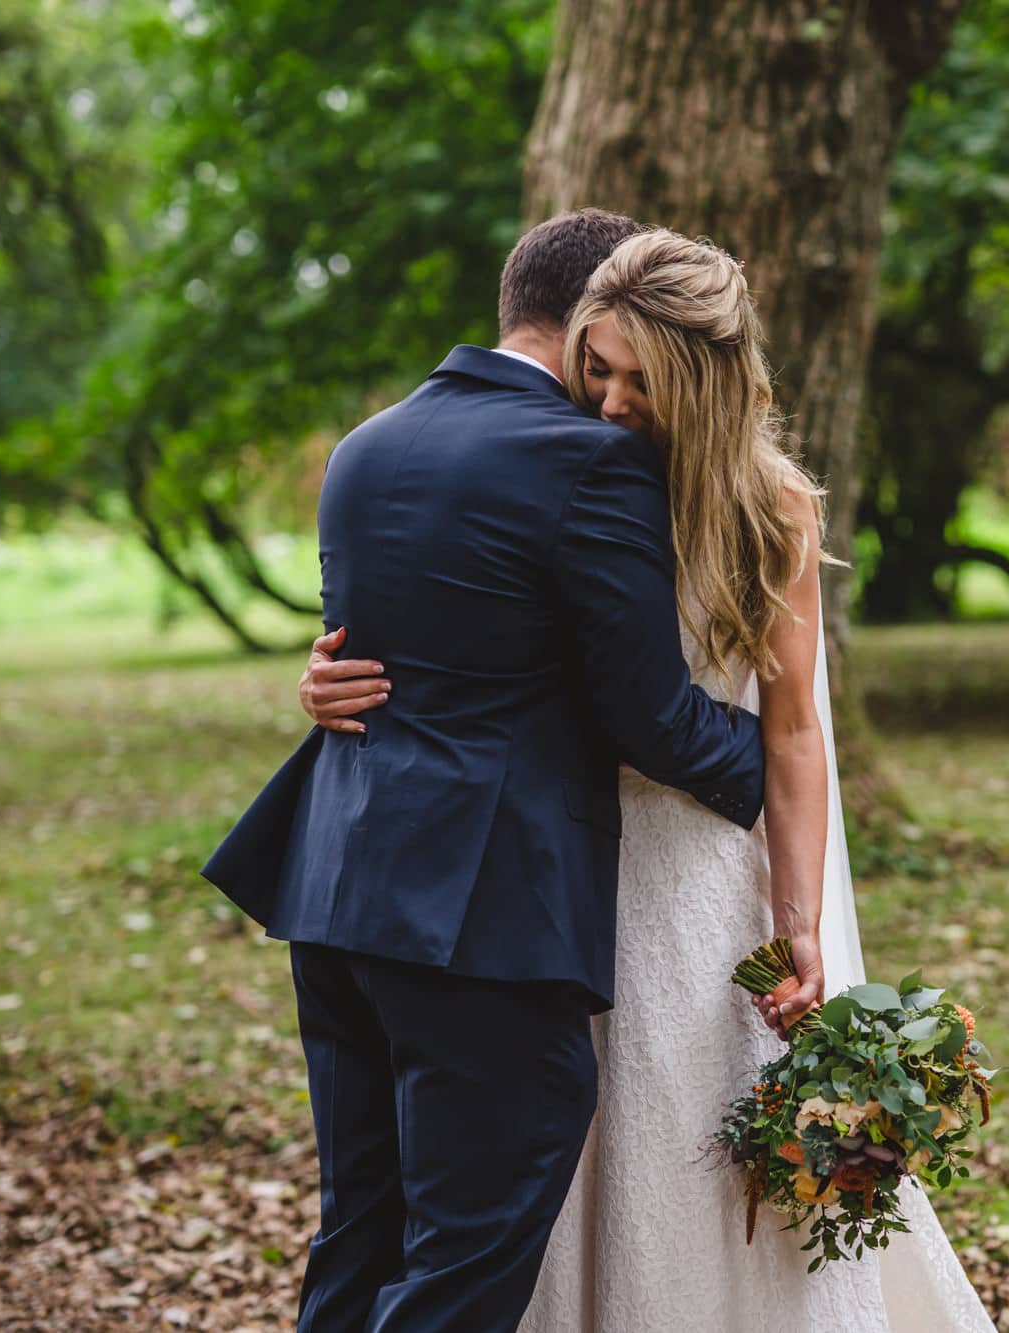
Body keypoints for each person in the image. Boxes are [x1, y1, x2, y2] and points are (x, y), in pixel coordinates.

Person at [301, 228, 996, 1331]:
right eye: (599, 368)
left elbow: (793, 729)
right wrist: (327, 678)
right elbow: (469, 629)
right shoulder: (556, 458)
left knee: (684, 1141)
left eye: (643, 379)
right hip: (556, 859)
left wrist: (796, 911)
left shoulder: (762, 503)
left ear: (707, 378)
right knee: (557, 1159)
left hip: (699, 860)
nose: (615, 401)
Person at [202, 209, 771, 1333]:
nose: (617, 397)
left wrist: (316, 688)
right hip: (477, 915)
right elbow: (647, 717)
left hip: (337, 891)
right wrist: (782, 766)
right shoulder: (592, 461)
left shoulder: (367, 444)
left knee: (362, 1223)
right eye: (609, 363)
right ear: (590, 320)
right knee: (468, 1247)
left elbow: (395, 657)